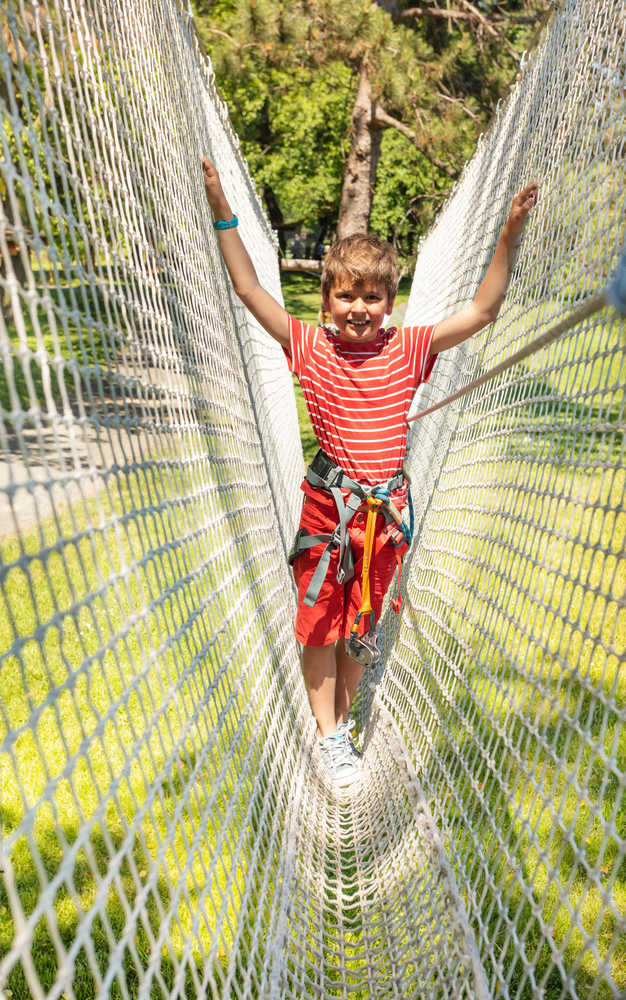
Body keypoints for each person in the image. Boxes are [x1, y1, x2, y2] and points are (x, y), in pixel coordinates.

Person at [202, 156, 537, 787]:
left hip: (384, 517)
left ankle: (345, 721)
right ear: (326, 298)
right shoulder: (308, 345)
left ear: (389, 302)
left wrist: (510, 233)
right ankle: (328, 737)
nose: (358, 307)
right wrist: (223, 205)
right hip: (329, 510)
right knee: (320, 621)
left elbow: (483, 311)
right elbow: (249, 288)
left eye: (372, 296)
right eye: (346, 294)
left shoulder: (409, 349)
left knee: (361, 626)